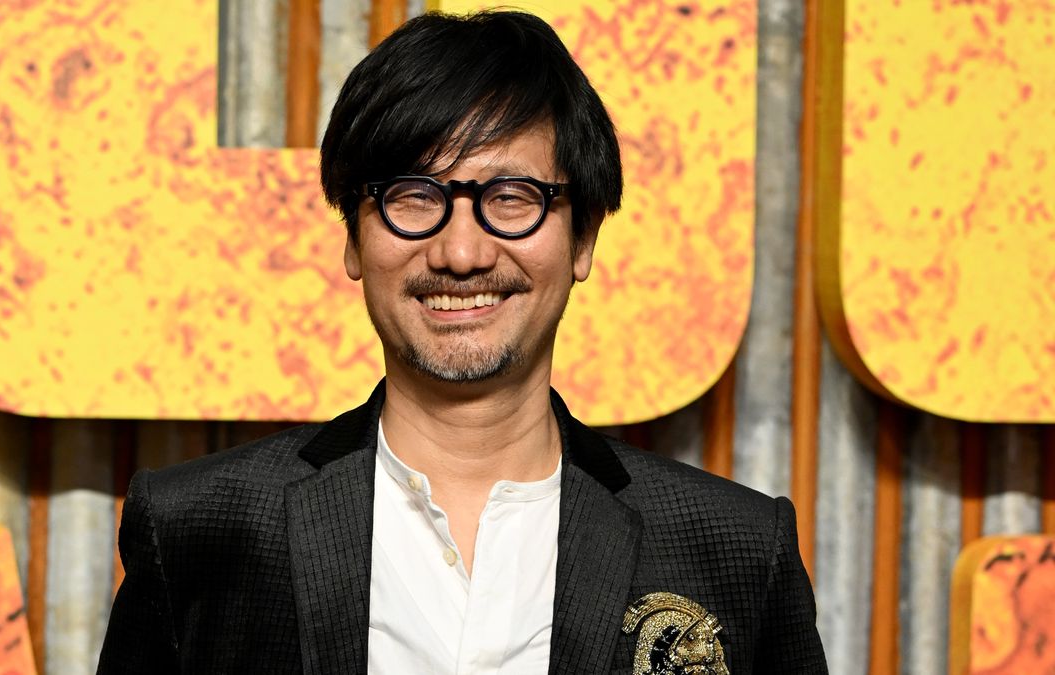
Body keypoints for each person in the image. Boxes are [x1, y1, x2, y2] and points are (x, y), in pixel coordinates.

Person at [98, 10, 826, 675]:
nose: (461, 252)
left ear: (584, 238)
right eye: (414, 196)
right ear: (353, 235)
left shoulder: (735, 549)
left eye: (512, 198)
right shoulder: (199, 530)